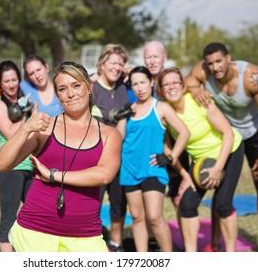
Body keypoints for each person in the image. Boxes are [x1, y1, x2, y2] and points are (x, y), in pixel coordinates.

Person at [0, 61, 122, 252]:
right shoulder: (45, 128)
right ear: (58, 95)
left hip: (85, 235)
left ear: (89, 87)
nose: (70, 94)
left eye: (76, 85)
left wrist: (53, 175)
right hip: (35, 232)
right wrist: (26, 128)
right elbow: (2, 164)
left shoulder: (109, 134)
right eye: (62, 89)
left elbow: (104, 175)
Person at [185, 42, 258, 252]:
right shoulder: (202, 71)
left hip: (255, 132)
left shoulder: (251, 76)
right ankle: (215, 242)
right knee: (221, 189)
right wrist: (193, 88)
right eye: (210, 63)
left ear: (229, 58)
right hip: (228, 134)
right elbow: (184, 83)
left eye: (219, 61)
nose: (215, 67)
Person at [154, 67, 245, 251]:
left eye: (175, 83)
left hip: (229, 151)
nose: (171, 87)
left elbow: (227, 132)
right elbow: (169, 149)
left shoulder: (198, 101)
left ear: (183, 85)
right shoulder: (163, 109)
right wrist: (185, 176)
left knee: (223, 203)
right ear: (161, 89)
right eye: (166, 85)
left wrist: (218, 168)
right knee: (186, 203)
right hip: (201, 160)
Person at [116, 66, 190, 252]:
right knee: (137, 217)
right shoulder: (129, 110)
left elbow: (184, 133)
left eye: (142, 82)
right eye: (135, 84)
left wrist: (170, 156)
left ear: (151, 82)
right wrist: (122, 118)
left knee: (155, 217)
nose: (139, 88)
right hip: (129, 170)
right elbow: (118, 139)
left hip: (152, 169)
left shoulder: (160, 107)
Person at [0, 60, 34, 252]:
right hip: (10, 168)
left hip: (30, 167)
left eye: (14, 79)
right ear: (0, 84)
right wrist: (25, 112)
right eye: (6, 81)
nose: (11, 84)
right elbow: (11, 134)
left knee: (35, 214)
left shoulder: (24, 100)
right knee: (9, 218)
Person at [91, 43, 129, 252]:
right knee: (93, 201)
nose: (117, 67)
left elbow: (121, 124)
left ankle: (116, 242)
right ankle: (94, 242)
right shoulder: (92, 88)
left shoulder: (123, 89)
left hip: (118, 155)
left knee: (119, 202)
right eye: (113, 62)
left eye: (121, 63)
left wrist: (115, 145)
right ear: (102, 64)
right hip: (95, 157)